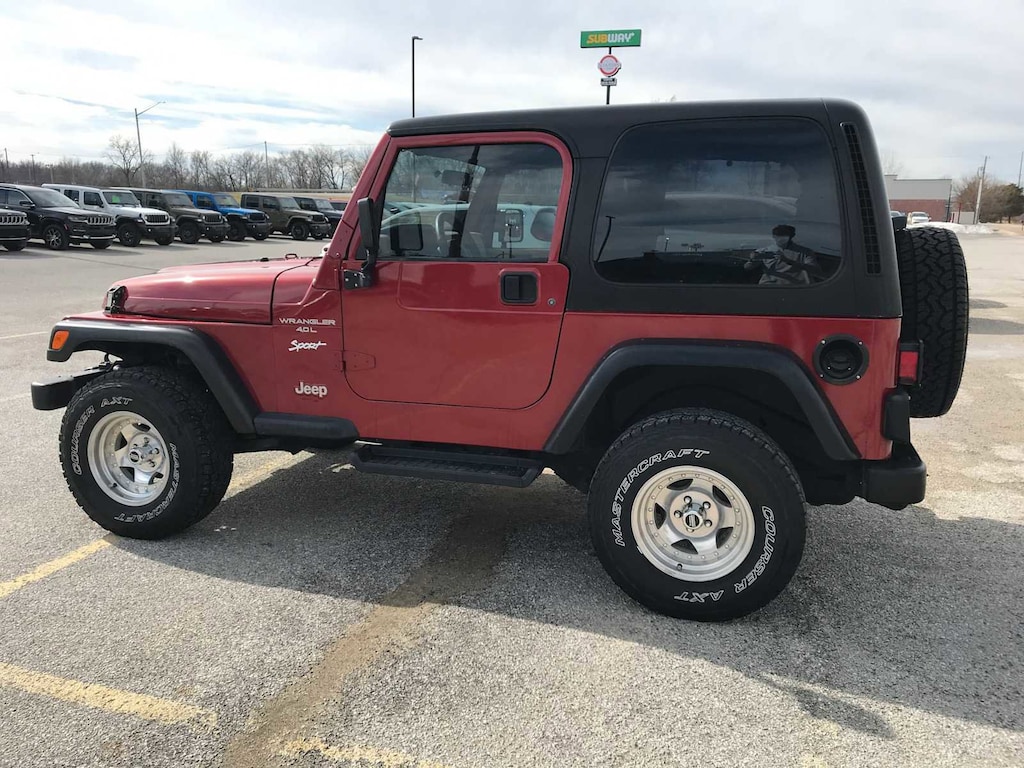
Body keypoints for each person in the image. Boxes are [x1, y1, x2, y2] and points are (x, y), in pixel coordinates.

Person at [745, 224, 823, 285]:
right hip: (769, 287)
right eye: (777, 235)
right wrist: (752, 259)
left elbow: (816, 270)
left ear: (791, 236)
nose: (780, 238)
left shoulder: (805, 252)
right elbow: (747, 268)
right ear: (773, 236)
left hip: (796, 287)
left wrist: (788, 261)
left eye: (784, 236)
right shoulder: (763, 251)